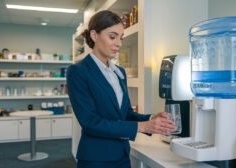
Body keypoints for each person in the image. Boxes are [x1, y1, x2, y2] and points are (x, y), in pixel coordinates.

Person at [67, 10, 176, 168]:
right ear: (94, 35)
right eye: (112, 36)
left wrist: (151, 119)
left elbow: (125, 114)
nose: (119, 43)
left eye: (121, 37)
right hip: (96, 159)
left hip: (122, 156)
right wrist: (142, 126)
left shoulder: (119, 73)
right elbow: (90, 122)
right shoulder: (78, 71)